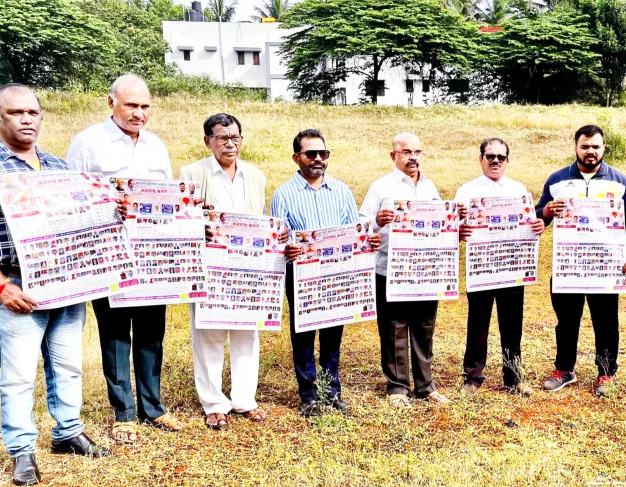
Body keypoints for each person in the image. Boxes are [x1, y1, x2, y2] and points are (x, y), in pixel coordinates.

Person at [0, 84, 110, 486]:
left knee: (67, 365)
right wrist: (1, 286)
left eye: (33, 112)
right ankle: (22, 450)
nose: (26, 119)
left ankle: (68, 432)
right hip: (17, 285)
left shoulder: (57, 166)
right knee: (18, 375)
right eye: (16, 112)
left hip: (65, 283)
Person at [65, 74, 181, 443]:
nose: (138, 113)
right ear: (111, 102)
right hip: (109, 254)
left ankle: (153, 407)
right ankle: (123, 412)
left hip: (153, 255)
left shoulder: (155, 145)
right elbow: (72, 198)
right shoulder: (87, 143)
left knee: (152, 333)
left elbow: (169, 198)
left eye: (145, 106)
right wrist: (108, 206)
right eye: (131, 105)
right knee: (116, 335)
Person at [273, 129, 380, 417]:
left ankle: (331, 391)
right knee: (303, 336)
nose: (318, 158)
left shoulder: (342, 191)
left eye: (323, 153)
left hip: (336, 273)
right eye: (311, 154)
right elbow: (279, 238)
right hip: (302, 275)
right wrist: (287, 248)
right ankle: (308, 395)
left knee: (333, 333)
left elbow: (353, 232)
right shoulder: (283, 194)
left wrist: (367, 241)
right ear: (296, 158)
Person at [535, 125, 626, 397]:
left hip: (605, 266)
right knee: (566, 320)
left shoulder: (619, 182)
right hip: (569, 264)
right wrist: (546, 210)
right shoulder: (557, 180)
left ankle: (606, 372)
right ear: (576, 148)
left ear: (604, 148)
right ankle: (564, 369)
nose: (590, 151)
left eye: (595, 146)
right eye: (585, 146)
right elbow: (540, 215)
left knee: (606, 321)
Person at [180, 113, 269, 429]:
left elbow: (261, 220)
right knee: (209, 334)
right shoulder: (192, 173)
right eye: (222, 138)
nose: (230, 144)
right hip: (210, 266)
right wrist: (198, 223)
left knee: (247, 332)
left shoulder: (255, 175)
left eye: (235, 138)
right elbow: (182, 219)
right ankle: (214, 403)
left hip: (247, 265)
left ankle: (245, 400)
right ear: (208, 141)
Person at [359, 133, 451, 408]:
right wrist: (377, 220)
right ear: (394, 155)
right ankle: (398, 387)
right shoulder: (381, 187)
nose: (413, 157)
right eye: (406, 152)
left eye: (417, 152)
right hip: (391, 269)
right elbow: (361, 223)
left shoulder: (429, 187)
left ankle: (425, 385)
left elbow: (441, 222)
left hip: (425, 269)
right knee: (394, 329)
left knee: (424, 327)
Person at [454, 138, 544, 396]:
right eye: (490, 156)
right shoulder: (466, 191)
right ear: (480, 159)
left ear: (507, 161)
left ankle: (513, 377)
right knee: (478, 324)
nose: (495, 161)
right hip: (482, 267)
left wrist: (538, 226)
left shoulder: (519, 189)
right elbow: (452, 225)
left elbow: (530, 224)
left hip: (511, 267)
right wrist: (458, 229)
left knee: (512, 325)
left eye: (501, 157)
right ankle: (472, 378)